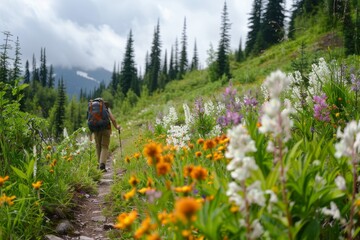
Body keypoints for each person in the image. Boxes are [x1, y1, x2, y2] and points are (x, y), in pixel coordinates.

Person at [93, 100, 120, 172]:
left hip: (96, 129)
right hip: (106, 129)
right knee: (104, 146)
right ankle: (102, 165)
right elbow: (113, 119)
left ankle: (99, 166)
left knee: (98, 146)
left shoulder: (93, 108)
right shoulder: (106, 108)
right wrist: (116, 127)